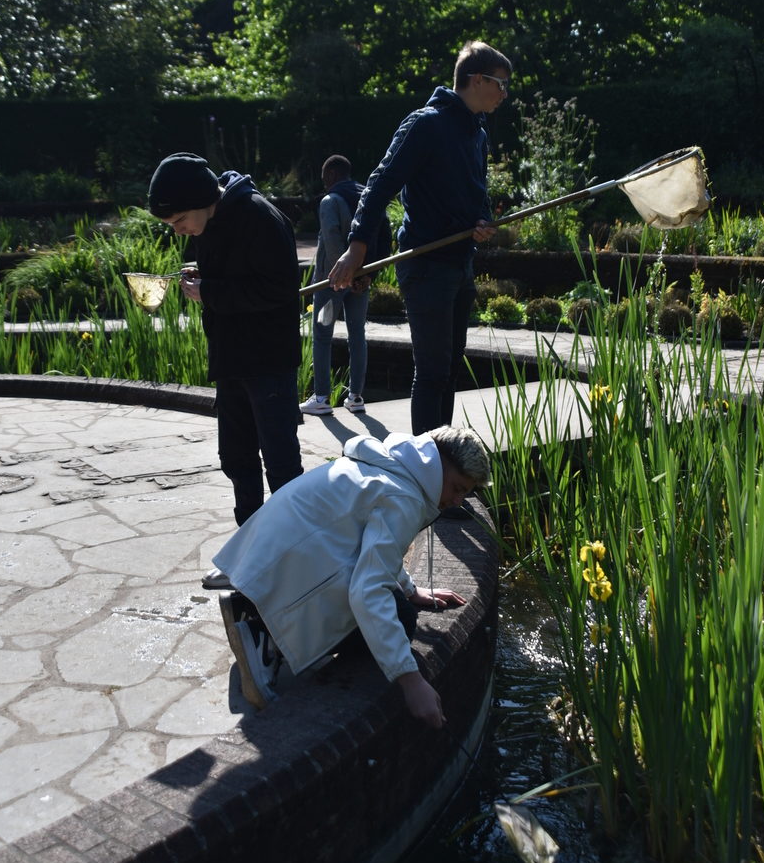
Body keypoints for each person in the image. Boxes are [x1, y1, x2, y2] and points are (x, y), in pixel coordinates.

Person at [211, 425, 491, 728]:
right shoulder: (404, 497)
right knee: (401, 618)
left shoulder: (390, 464)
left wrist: (409, 589)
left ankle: (251, 603)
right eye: (457, 488)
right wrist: (410, 680)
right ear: (438, 464)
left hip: (259, 563)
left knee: (392, 598)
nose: (458, 501)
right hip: (287, 569)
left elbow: (372, 547)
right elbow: (369, 590)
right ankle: (265, 637)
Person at [328, 40, 512, 435]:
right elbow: (379, 185)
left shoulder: (477, 134)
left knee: (450, 369)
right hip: (425, 264)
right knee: (431, 372)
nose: (504, 93)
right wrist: (357, 249)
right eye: (501, 84)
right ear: (477, 80)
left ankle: (442, 459)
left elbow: (476, 197)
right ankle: (425, 464)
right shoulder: (426, 124)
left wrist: (482, 222)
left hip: (459, 263)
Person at [148, 151, 303, 536]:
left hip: (267, 359)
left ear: (201, 199)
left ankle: (297, 543)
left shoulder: (259, 216)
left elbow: (281, 289)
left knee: (281, 462)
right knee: (236, 457)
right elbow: (238, 275)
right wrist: (204, 279)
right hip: (230, 358)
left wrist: (210, 292)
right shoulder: (209, 221)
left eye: (179, 220)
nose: (178, 231)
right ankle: (249, 542)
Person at [300, 153, 386, 416]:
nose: (324, 184)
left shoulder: (330, 201)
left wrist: (346, 276)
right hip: (362, 281)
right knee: (357, 334)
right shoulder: (368, 197)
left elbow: (332, 239)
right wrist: (368, 275)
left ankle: (322, 398)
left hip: (331, 285)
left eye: (324, 178)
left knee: (322, 336)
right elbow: (385, 235)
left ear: (331, 174)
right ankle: (356, 397)